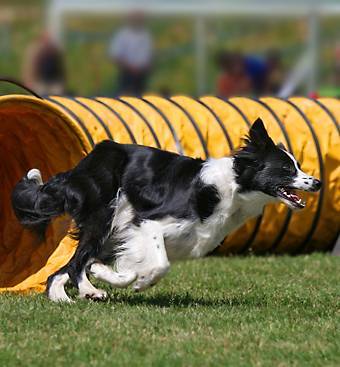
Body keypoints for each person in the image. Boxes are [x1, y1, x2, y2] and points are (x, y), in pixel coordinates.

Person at [109, 11, 153, 96]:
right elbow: (115, 55)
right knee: (125, 100)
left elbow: (149, 54)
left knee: (141, 100)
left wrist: (147, 65)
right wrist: (130, 67)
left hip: (142, 75)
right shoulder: (122, 34)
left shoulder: (146, 34)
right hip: (127, 74)